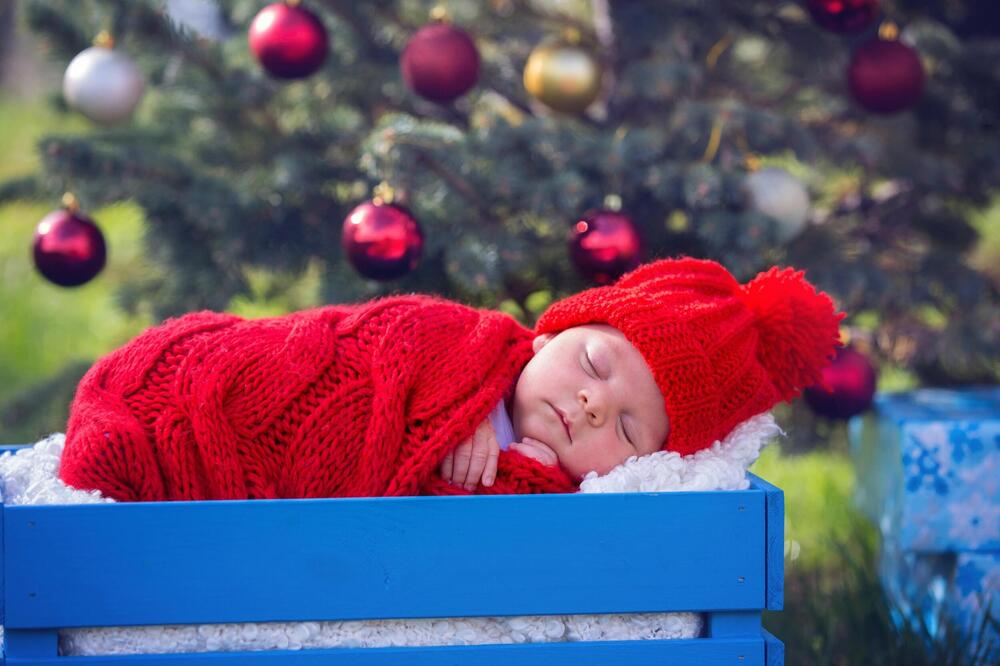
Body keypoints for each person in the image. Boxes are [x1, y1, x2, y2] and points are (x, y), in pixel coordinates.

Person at [58, 257, 842, 501]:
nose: (591, 403)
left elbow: (472, 553)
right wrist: (450, 401)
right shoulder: (463, 341)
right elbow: (367, 343)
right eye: (595, 363)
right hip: (197, 380)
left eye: (630, 429)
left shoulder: (560, 490)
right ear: (551, 331)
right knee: (196, 388)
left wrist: (514, 480)